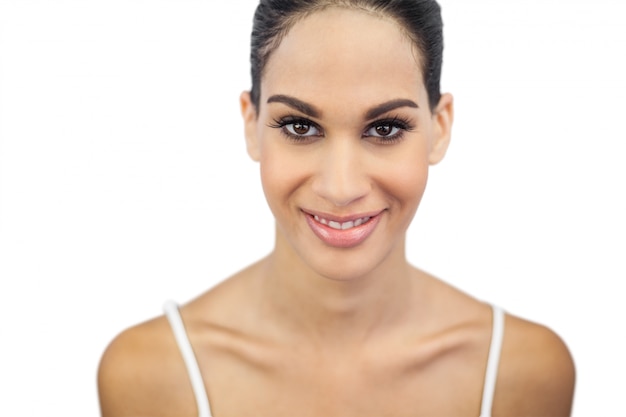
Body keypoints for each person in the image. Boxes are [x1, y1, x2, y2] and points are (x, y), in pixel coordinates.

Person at [97, 1, 576, 416]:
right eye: (300, 127)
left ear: (440, 127)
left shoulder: (524, 371)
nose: (341, 187)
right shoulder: (151, 374)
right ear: (251, 123)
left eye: (385, 128)